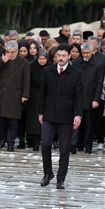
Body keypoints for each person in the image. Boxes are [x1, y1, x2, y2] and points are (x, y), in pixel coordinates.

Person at [38, 43, 83, 189]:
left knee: (64, 149)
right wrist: (40, 112)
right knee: (45, 143)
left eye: (64, 55)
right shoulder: (48, 71)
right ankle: (47, 173)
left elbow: (79, 97)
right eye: (58, 55)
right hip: (49, 113)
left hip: (67, 115)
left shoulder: (76, 73)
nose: (61, 58)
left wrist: (78, 115)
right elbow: (42, 93)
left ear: (69, 56)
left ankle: (60, 178)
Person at [0, 41, 30, 151]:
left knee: (13, 121)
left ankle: (10, 142)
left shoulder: (24, 62)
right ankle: (3, 138)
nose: (10, 54)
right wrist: (2, 62)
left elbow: (26, 80)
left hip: (15, 94)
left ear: (17, 51)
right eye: (8, 52)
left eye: (12, 52)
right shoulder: (2, 60)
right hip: (2, 94)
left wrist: (25, 95)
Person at [71, 42, 103, 154]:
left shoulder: (98, 64)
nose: (85, 55)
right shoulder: (76, 62)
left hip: (90, 97)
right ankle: (77, 145)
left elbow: (99, 83)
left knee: (90, 124)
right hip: (78, 97)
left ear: (92, 51)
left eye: (87, 53)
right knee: (78, 122)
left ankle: (88, 146)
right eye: (83, 53)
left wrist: (96, 99)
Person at [26, 49, 53, 151]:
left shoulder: (51, 67)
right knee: (34, 122)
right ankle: (35, 144)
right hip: (34, 97)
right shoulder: (31, 67)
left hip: (48, 96)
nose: (41, 61)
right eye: (40, 58)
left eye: (44, 59)